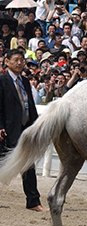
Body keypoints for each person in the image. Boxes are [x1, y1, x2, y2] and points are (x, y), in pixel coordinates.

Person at [0, 49, 47, 212]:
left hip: (25, 129)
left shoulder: (25, 82)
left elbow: (31, 107)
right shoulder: (2, 80)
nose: (20, 63)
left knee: (28, 164)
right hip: (6, 131)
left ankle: (33, 201)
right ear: (7, 61)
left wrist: (36, 126)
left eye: (22, 60)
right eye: (16, 59)